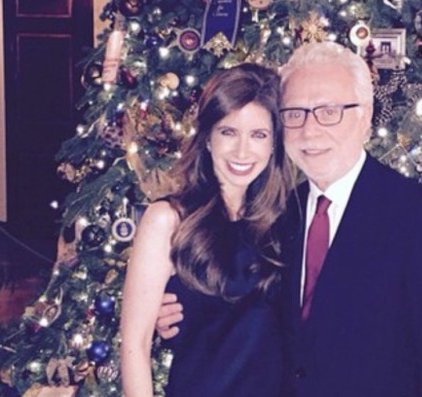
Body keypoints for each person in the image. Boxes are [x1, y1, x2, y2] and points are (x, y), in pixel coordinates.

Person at [157, 42, 422, 397]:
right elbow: (247, 314)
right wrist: (179, 309)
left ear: (365, 115)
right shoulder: (277, 215)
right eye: (295, 113)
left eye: (329, 111)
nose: (310, 131)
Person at [120, 63, 294, 397]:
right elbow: (134, 345)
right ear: (209, 138)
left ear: (274, 143)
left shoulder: (287, 221)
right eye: (228, 131)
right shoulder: (168, 220)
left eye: (258, 135)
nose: (242, 151)